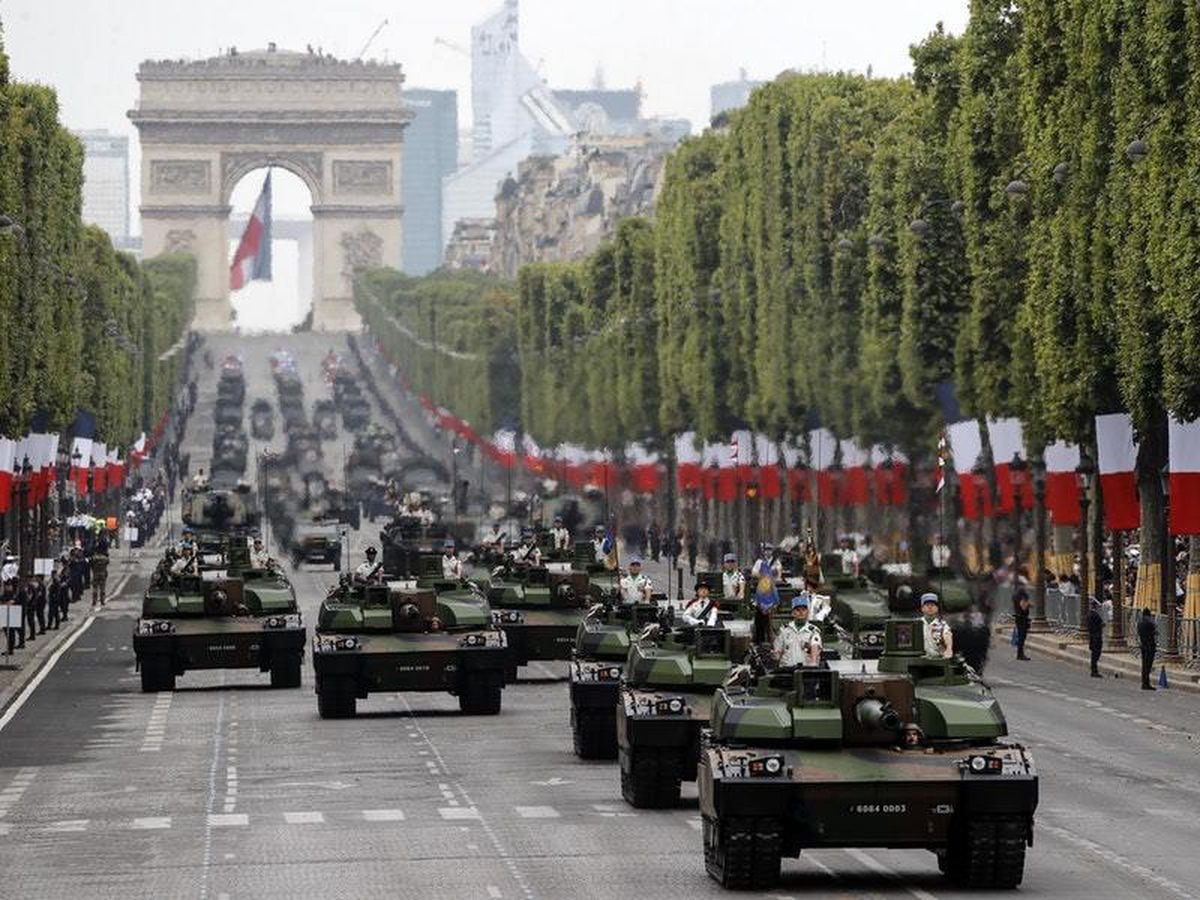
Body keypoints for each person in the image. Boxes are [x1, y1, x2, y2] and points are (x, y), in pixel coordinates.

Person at [773, 594, 823, 667]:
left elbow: (815, 647)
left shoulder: (813, 631)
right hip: (786, 670)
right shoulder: (784, 630)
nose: (801, 612)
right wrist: (774, 656)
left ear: (808, 612)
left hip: (805, 671)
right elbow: (778, 652)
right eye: (798, 610)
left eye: (803, 609)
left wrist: (813, 663)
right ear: (793, 613)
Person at [920, 593, 953, 659]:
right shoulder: (917, 624)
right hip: (919, 660)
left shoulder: (943, 626)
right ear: (922, 608)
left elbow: (947, 637)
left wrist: (949, 650)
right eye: (927, 605)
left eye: (933, 605)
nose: (930, 607)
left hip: (937, 660)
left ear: (937, 608)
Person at [1137, 607, 1157, 690]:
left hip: (1143, 645)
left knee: (1144, 665)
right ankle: (1146, 683)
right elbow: (1154, 630)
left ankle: (1144, 682)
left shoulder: (1140, 622)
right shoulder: (1149, 622)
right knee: (1148, 665)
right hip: (1149, 645)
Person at [1086, 596, 1104, 677]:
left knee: (1094, 654)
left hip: (1092, 636)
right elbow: (1100, 624)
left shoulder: (1089, 615)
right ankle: (1094, 671)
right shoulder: (1095, 615)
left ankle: (1094, 670)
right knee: (1096, 654)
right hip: (1097, 636)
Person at [1013, 587, 1031, 661]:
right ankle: (1020, 654)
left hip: (1018, 617)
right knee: (1022, 636)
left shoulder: (1015, 596)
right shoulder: (1022, 597)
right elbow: (1023, 607)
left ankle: (1019, 653)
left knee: (1020, 636)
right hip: (1023, 618)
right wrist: (1028, 604)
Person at [90, 540, 110, 608]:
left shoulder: (94, 558)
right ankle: (102, 601)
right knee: (102, 588)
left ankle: (94, 601)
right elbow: (107, 563)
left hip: (95, 573)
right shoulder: (105, 558)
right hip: (103, 573)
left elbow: (91, 565)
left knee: (95, 588)